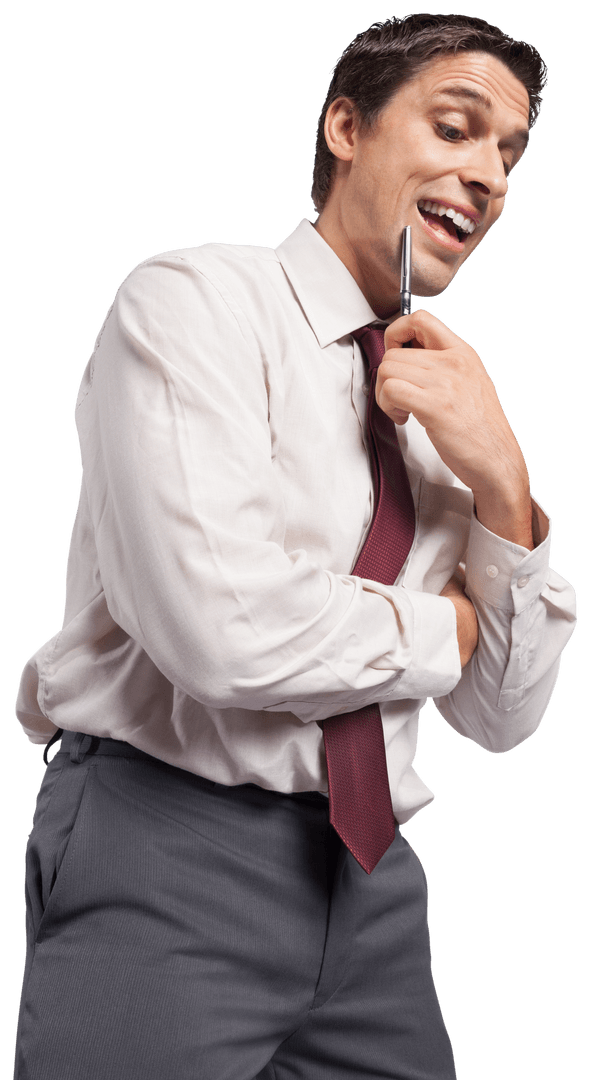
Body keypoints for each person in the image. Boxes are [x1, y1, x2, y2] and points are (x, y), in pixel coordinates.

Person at [13, 12, 577, 1080]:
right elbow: (219, 627)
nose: (489, 175)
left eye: (507, 155)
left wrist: (502, 485)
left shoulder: (448, 402)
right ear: (344, 128)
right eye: (456, 128)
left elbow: (500, 717)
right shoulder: (193, 307)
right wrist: (447, 624)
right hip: (164, 842)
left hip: (370, 886)